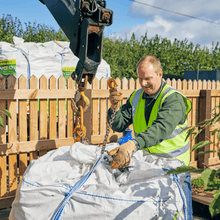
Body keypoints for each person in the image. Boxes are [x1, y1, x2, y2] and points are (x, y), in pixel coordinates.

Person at [107, 55, 193, 219]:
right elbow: (118, 125)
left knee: (178, 214)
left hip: (175, 168)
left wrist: (133, 145)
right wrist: (114, 108)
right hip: (148, 166)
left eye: (148, 78)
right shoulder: (136, 97)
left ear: (160, 74)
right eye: (140, 78)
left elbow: (161, 128)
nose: (144, 83)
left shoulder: (173, 99)